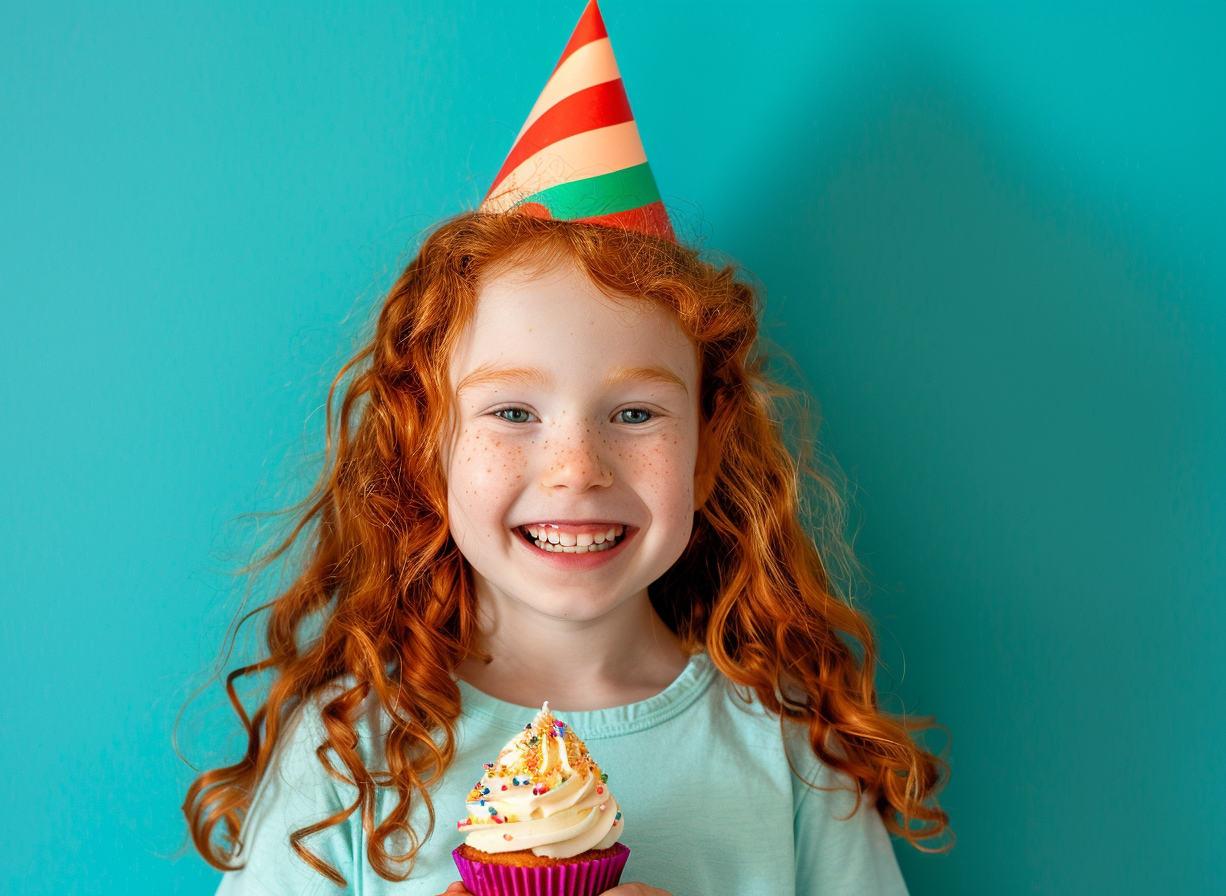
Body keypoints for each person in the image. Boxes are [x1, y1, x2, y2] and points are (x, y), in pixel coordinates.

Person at [183, 3, 950, 894]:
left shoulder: (789, 748)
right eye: (512, 412)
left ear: (706, 453)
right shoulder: (349, 748)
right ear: (426, 450)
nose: (576, 468)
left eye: (634, 415)